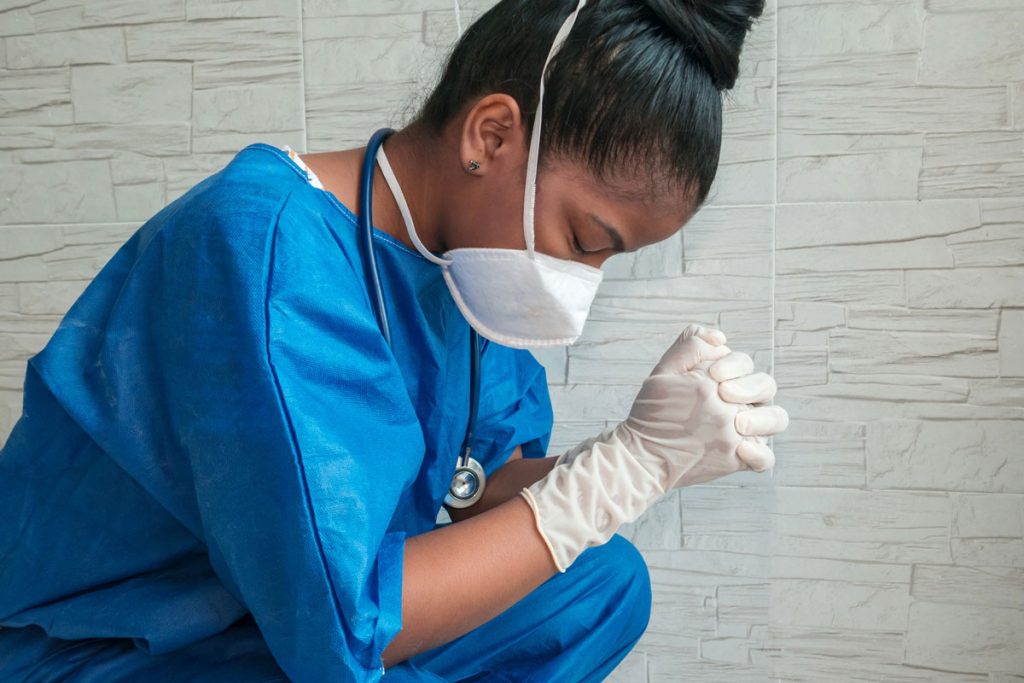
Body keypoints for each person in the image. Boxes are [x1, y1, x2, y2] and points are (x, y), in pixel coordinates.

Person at [0, 0, 787, 680]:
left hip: (270, 628)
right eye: (585, 238)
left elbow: (480, 485)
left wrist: (644, 452)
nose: (583, 284)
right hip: (110, 652)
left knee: (601, 583)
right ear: (490, 134)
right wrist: (622, 474)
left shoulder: (462, 272)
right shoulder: (264, 250)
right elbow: (342, 628)